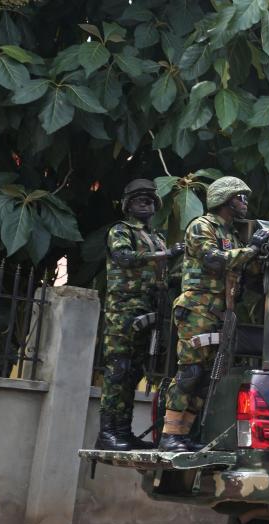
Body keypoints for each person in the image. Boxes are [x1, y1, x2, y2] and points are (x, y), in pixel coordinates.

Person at [158, 176, 269, 452]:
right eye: (240, 198)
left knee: (208, 376)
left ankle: (184, 434)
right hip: (197, 308)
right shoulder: (201, 226)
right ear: (225, 199)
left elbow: (245, 269)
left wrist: (260, 255)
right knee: (190, 371)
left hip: (221, 312)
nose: (245, 203)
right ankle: (169, 434)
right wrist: (252, 249)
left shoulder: (232, 235)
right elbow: (214, 260)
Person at [96, 179, 183, 451]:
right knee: (118, 372)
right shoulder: (120, 231)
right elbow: (123, 257)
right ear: (127, 205)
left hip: (149, 310)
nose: (145, 203)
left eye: (149, 200)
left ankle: (123, 431)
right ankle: (107, 433)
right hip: (123, 311)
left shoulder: (155, 237)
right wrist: (165, 254)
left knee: (134, 374)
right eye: (138, 199)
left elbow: (163, 274)